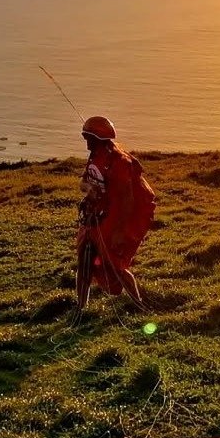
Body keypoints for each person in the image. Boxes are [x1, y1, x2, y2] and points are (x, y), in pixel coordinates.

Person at [77, 115, 155, 306]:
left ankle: (138, 304)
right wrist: (89, 191)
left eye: (89, 138)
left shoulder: (120, 162)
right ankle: (80, 307)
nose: (86, 142)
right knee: (84, 260)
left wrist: (120, 231)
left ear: (99, 139)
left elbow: (127, 200)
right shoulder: (95, 155)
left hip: (113, 219)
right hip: (95, 216)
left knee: (115, 265)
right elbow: (84, 182)